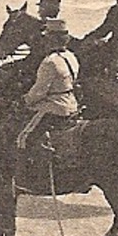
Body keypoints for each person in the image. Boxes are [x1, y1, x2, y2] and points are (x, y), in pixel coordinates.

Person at [17, 18, 79, 151]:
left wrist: (25, 100)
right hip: (72, 104)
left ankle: (29, 171)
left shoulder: (49, 62)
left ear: (51, 40)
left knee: (23, 138)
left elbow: (40, 91)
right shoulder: (71, 56)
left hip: (54, 107)